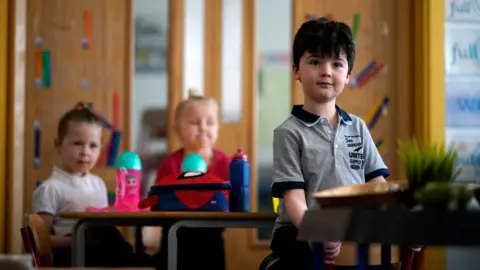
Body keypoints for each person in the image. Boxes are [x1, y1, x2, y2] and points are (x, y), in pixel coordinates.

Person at [268, 17, 392, 270]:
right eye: (315, 62)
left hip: (351, 230)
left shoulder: (357, 126)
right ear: (296, 71)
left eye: (336, 64)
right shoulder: (288, 132)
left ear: (347, 76)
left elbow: (378, 186)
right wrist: (316, 232)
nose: (326, 71)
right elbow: (293, 200)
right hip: (301, 229)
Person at [32, 104, 152, 267]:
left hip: (99, 248)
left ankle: (140, 261)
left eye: (93, 146)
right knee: (101, 235)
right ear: (58, 144)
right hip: (71, 253)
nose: (85, 151)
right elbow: (39, 241)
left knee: (110, 234)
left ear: (100, 149)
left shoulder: (98, 184)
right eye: (77, 143)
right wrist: (79, 240)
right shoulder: (50, 188)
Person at [153, 89, 230, 270]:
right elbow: (158, 203)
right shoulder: (170, 164)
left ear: (218, 128)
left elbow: (232, 203)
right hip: (175, 238)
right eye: (195, 122)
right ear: (177, 129)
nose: (203, 127)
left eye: (210, 122)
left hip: (212, 241)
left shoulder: (226, 163)